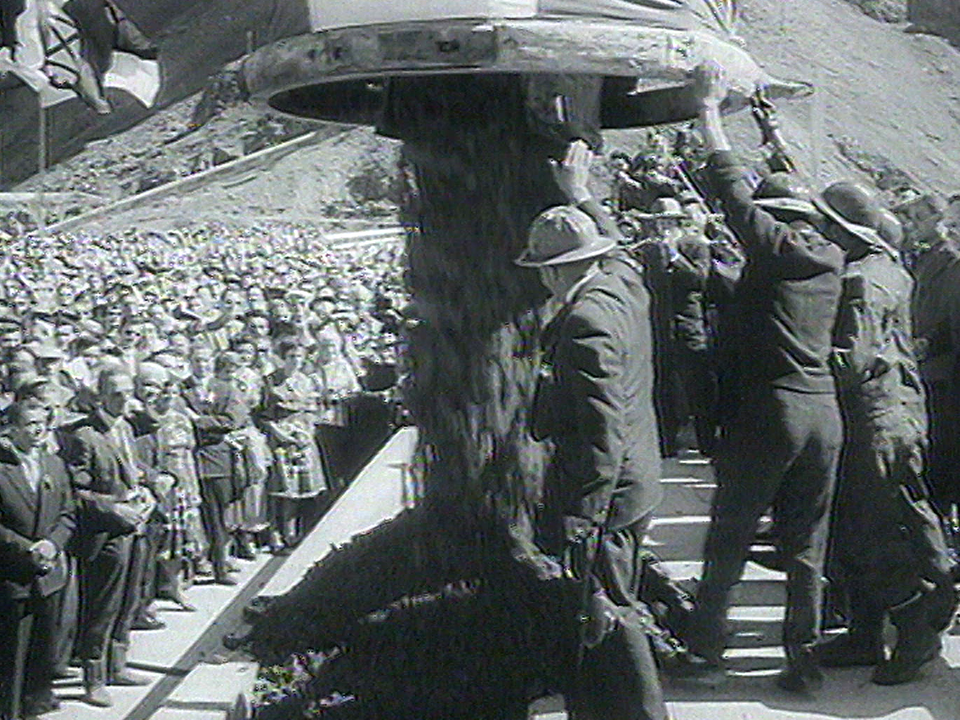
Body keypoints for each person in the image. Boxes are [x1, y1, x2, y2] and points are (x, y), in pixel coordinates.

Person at [680, 63, 845, 693]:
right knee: (806, 547)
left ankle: (703, 654)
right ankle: (801, 663)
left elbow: (730, 189)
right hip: (822, 414)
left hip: (768, 412)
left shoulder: (770, 249)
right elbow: (794, 183)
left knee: (731, 535)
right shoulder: (829, 253)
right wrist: (765, 122)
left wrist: (710, 111)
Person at [516, 140, 667, 720]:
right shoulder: (624, 284)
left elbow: (601, 431)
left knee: (609, 609)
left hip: (608, 493)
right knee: (609, 605)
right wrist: (581, 195)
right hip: (640, 477)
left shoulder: (582, 323)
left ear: (554, 272)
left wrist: (584, 517)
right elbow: (622, 250)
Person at [823, 184, 957, 684]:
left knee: (868, 528)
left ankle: (913, 622)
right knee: (891, 516)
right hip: (894, 412)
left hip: (873, 418)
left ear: (841, 231)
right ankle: (865, 630)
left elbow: (850, 361)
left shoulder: (861, 282)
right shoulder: (888, 268)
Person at [60, 367, 156, 707]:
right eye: (115, 393)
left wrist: (145, 490)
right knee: (102, 606)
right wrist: (115, 510)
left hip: (135, 527)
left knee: (130, 598)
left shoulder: (126, 428)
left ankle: (118, 663)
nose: (123, 399)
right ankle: (94, 677)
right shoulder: (85, 436)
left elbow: (132, 472)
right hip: (105, 534)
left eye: (127, 392)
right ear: (100, 396)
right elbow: (76, 491)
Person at [0, 394, 76, 720]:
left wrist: (52, 544)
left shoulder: (53, 464)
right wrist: (26, 548)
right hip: (12, 573)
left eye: (42, 426)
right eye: (29, 425)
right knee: (12, 656)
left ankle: (34, 706)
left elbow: (68, 513)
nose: (37, 432)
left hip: (48, 573)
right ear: (12, 429)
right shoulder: (3, 467)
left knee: (42, 652)